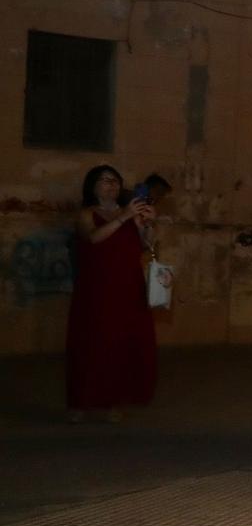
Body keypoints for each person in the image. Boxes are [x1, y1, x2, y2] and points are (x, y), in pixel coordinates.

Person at [66, 164, 157, 421]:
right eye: (106, 180)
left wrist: (147, 223)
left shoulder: (129, 213)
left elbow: (146, 244)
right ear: (93, 186)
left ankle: (112, 403)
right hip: (95, 289)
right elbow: (93, 238)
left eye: (116, 180)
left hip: (127, 287)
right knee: (89, 344)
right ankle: (80, 403)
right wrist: (124, 217)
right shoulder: (86, 214)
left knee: (121, 345)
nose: (112, 185)